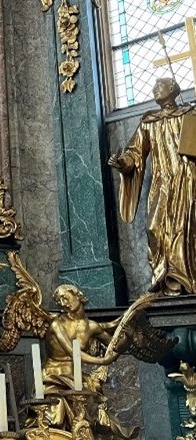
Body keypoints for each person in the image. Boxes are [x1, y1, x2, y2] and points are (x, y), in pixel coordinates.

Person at [109, 78, 196, 295]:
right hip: (161, 181)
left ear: (173, 89)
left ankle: (184, 279)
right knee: (154, 228)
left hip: (184, 180)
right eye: (154, 86)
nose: (155, 89)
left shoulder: (188, 115)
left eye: (161, 86)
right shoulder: (149, 122)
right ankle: (162, 278)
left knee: (184, 228)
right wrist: (122, 162)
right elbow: (135, 152)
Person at [39, 285, 137, 438]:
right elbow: (73, 352)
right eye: (60, 301)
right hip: (53, 377)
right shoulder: (57, 324)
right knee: (56, 420)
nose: (63, 303)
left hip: (76, 377)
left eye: (65, 298)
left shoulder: (91, 326)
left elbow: (114, 347)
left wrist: (128, 338)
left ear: (77, 295)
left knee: (93, 413)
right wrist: (102, 360)